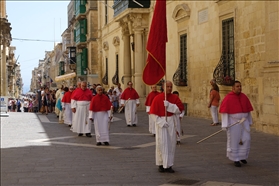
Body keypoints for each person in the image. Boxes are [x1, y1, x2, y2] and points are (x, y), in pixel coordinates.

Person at [149, 81, 184, 173]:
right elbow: (152, 113)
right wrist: (161, 122)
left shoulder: (174, 98)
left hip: (171, 121)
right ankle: (161, 164)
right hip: (161, 122)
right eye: (167, 86)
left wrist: (169, 106)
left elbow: (180, 109)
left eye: (171, 86)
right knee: (161, 143)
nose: (169, 88)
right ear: (163, 87)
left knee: (171, 143)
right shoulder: (157, 98)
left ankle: (169, 165)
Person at [219, 80, 253, 167]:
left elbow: (248, 110)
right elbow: (225, 112)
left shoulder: (244, 97)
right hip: (234, 123)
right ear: (233, 88)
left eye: (240, 86)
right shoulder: (228, 98)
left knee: (246, 139)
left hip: (244, 122)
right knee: (235, 140)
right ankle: (235, 158)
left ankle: (242, 156)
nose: (239, 88)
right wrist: (225, 124)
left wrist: (249, 121)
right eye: (237, 86)